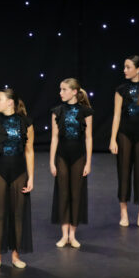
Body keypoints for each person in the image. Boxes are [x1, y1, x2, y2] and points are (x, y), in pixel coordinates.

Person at [0, 89, 34, 268]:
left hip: (19, 173)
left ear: (10, 102)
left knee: (18, 215)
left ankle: (15, 256)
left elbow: (29, 151)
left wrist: (31, 177)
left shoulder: (26, 123)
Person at [110, 55, 139, 227]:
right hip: (124, 134)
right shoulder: (121, 90)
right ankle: (123, 212)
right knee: (123, 172)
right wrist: (112, 139)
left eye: (128, 67)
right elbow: (116, 115)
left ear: (138, 70)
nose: (124, 70)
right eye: (124, 67)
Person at [49, 78, 93, 248]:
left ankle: (72, 235)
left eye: (64, 89)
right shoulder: (57, 111)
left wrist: (88, 162)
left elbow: (88, 138)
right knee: (63, 194)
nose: (60, 93)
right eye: (60, 89)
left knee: (76, 194)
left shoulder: (86, 112)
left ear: (74, 92)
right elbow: (54, 138)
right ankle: (64, 234)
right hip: (62, 157)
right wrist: (52, 161)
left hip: (78, 157)